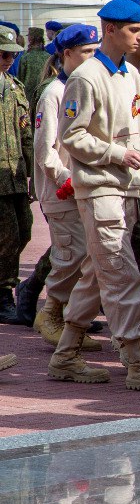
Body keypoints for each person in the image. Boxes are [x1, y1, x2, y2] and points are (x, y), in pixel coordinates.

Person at [52, 0, 140, 391]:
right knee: (122, 274)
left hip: (124, 189)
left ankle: (66, 354)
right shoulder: (86, 77)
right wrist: (116, 153)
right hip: (99, 190)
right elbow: (71, 136)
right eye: (134, 30)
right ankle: (137, 359)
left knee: (98, 272)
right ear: (111, 29)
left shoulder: (129, 73)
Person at [31, 25, 103, 351]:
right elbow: (46, 152)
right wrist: (66, 180)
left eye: (95, 51)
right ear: (67, 54)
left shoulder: (79, 86)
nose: (92, 59)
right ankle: (50, 314)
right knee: (71, 255)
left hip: (81, 187)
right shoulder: (53, 94)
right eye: (86, 52)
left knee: (87, 256)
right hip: (60, 192)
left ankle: (69, 321)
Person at [0, 27, 31, 325]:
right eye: (3, 54)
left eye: (11, 54)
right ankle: (2, 296)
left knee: (24, 231)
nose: (9, 59)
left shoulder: (16, 87)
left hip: (15, 175)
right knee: (7, 237)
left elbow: (26, 135)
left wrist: (34, 171)